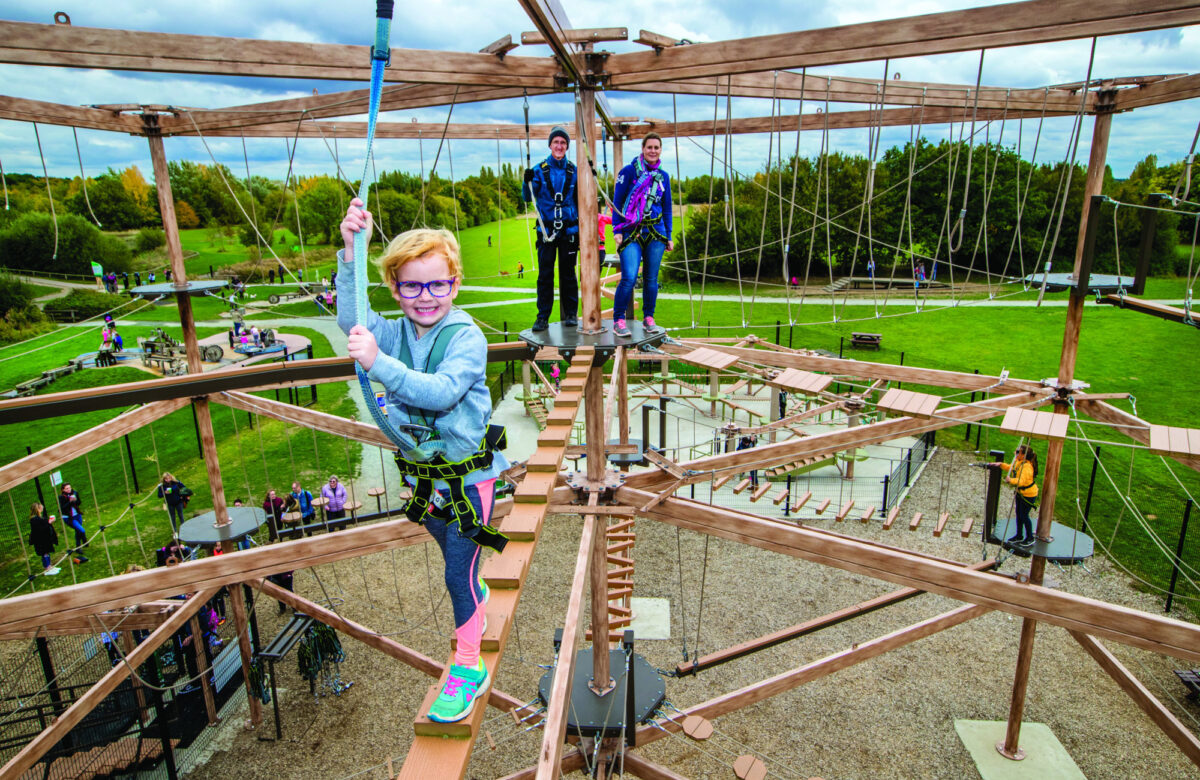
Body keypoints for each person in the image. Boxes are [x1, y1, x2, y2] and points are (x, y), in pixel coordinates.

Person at [338, 199, 510, 724]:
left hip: (464, 479)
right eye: (411, 286)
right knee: (450, 553)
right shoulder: (396, 330)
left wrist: (379, 364)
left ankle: (467, 667)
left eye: (437, 285)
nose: (425, 297)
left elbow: (438, 392)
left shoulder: (466, 337)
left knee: (457, 576)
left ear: (454, 285)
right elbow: (354, 321)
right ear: (394, 288)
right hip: (426, 480)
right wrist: (350, 253)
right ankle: (475, 586)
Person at [612, 133, 673, 338]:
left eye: (657, 147)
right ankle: (619, 319)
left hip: (655, 232)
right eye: (650, 147)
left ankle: (648, 317)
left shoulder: (663, 177)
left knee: (651, 279)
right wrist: (617, 230)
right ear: (643, 148)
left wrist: (669, 235)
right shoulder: (629, 172)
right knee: (629, 277)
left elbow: (667, 208)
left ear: (660, 150)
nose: (653, 151)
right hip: (632, 231)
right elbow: (617, 201)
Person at [523, 126, 579, 332]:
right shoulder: (539, 170)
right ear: (550, 145)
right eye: (556, 142)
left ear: (567, 147)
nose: (559, 146)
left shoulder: (573, 170)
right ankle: (542, 316)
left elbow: (580, 199)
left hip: (568, 231)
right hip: (547, 232)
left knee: (568, 274)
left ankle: (571, 313)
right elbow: (528, 197)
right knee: (545, 275)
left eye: (563, 143)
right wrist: (526, 181)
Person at [987, 444, 1040, 546]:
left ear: (1023, 455)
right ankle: (1019, 535)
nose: (1015, 453)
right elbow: (1011, 468)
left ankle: (1030, 537)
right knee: (1019, 515)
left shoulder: (1027, 467)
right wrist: (1000, 464)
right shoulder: (1019, 462)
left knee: (1024, 516)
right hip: (1021, 493)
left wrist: (1010, 480)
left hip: (1028, 494)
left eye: (1017, 452)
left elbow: (1021, 481)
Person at [57, 482, 89, 560]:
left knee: (77, 530)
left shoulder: (74, 493)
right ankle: (85, 541)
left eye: (69, 488)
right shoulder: (61, 497)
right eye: (67, 488)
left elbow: (79, 503)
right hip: (68, 517)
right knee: (81, 530)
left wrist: (75, 500)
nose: (69, 489)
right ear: (63, 490)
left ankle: (78, 547)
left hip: (77, 514)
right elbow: (62, 508)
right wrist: (70, 502)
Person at [28, 502, 60, 576]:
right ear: (38, 509)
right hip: (40, 540)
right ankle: (47, 568)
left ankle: (50, 566)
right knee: (44, 553)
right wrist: (49, 522)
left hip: (45, 539)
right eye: (41, 507)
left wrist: (49, 522)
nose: (43, 508)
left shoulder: (39, 517)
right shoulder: (34, 519)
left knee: (47, 552)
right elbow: (40, 529)